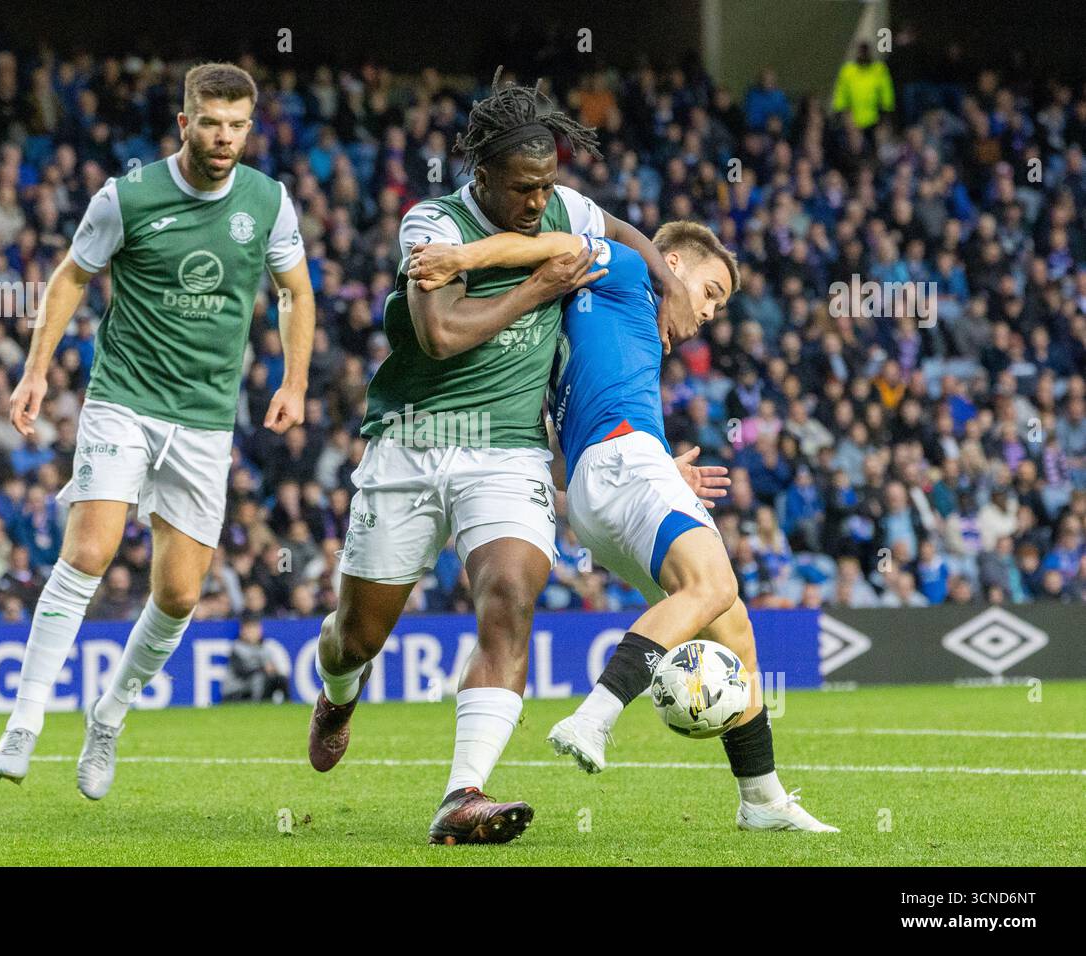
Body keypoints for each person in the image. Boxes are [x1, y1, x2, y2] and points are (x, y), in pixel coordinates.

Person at [307, 69, 699, 846]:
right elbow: (441, 335)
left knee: (512, 594)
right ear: (480, 177)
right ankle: (340, 691)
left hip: (508, 449)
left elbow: (621, 229)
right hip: (414, 441)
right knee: (356, 634)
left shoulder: (565, 208)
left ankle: (463, 795)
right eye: (522, 188)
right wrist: (540, 282)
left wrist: (670, 284)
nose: (536, 202)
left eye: (546, 184)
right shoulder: (431, 225)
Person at [409, 220, 837, 832]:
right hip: (623, 461)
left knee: (730, 626)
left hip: (597, 485)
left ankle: (762, 799)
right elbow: (558, 241)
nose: (711, 311)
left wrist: (660, 468)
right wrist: (460, 257)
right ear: (672, 263)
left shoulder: (606, 314)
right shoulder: (633, 272)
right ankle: (595, 717)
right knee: (713, 587)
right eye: (710, 291)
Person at [0, 62, 315, 800]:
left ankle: (109, 716)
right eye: (211, 123)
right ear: (184, 124)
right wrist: (37, 369)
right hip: (123, 400)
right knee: (93, 549)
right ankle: (25, 720)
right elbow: (72, 275)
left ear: (249, 128)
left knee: (177, 595)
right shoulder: (127, 195)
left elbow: (295, 290)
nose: (224, 137)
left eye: (237, 125)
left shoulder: (268, 202)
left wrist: (294, 382)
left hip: (203, 421)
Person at [222, 612, 290, 703]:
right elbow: (243, 671)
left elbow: (272, 669)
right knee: (259, 679)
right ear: (242, 631)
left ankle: (286, 706)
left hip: (257, 686)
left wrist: (274, 671)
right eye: (249, 629)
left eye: (255, 628)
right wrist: (263, 669)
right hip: (238, 691)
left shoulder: (266, 648)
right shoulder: (236, 649)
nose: (252, 632)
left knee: (280, 679)